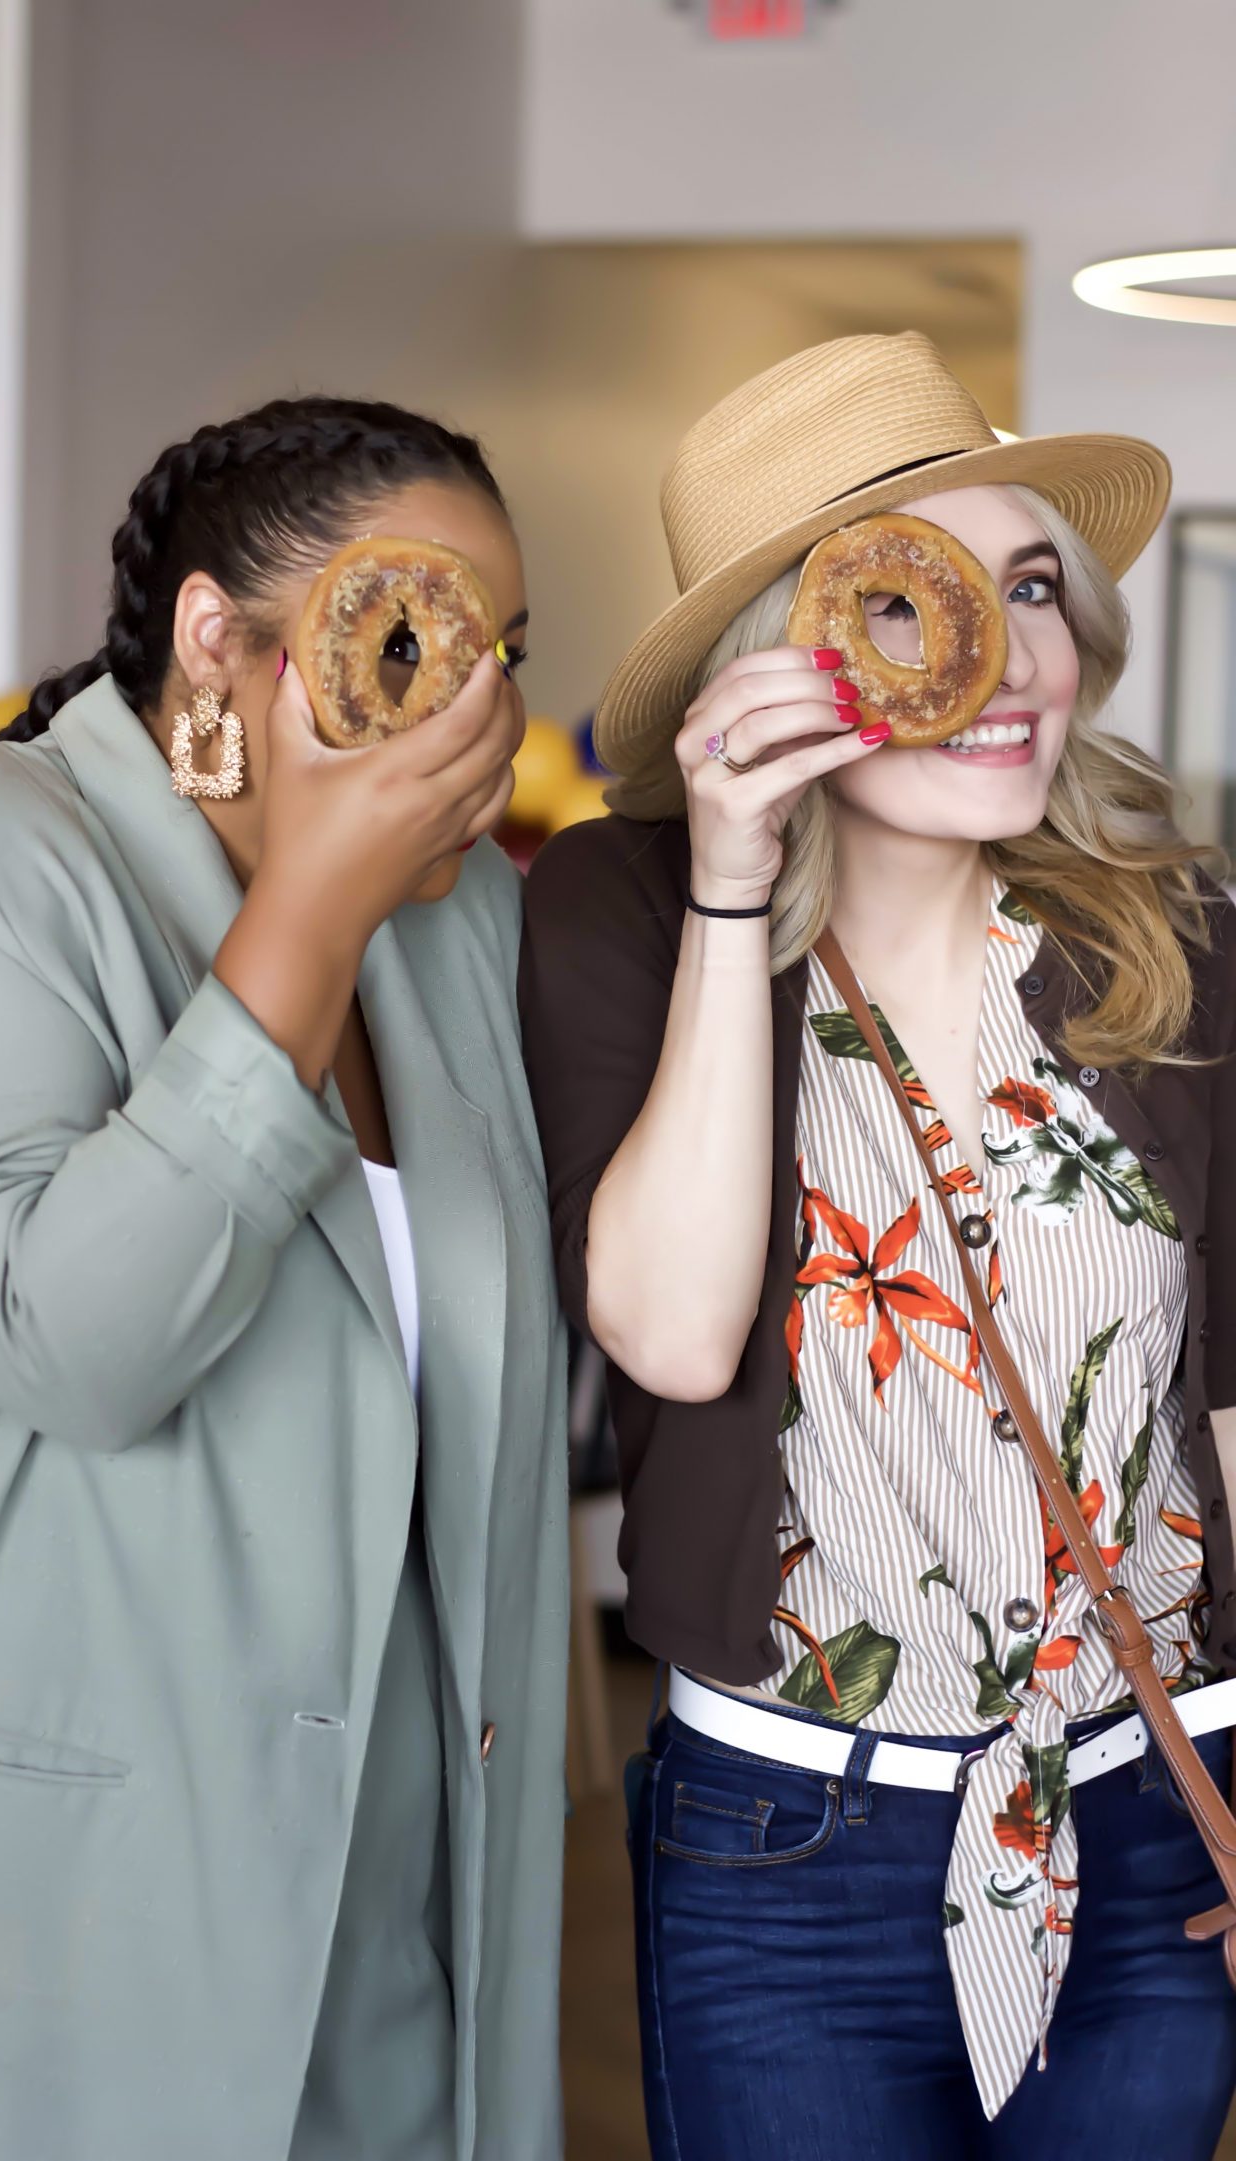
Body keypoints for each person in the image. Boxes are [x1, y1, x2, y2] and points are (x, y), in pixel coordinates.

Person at [0, 396, 569, 2160]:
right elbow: (76, 1344)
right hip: (36, 1910)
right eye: (406, 645)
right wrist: (305, 912)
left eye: (504, 654)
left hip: (390, 1905)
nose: (481, 716)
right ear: (217, 641)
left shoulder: (463, 928)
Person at [520, 331, 1236, 2159]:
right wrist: (733, 883)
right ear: (781, 653)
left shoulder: (1180, 939)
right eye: (927, 604)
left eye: (1037, 591)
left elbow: (1228, 1397)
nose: (1013, 659)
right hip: (791, 1840)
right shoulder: (624, 905)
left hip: (1159, 1800)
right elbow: (672, 1341)